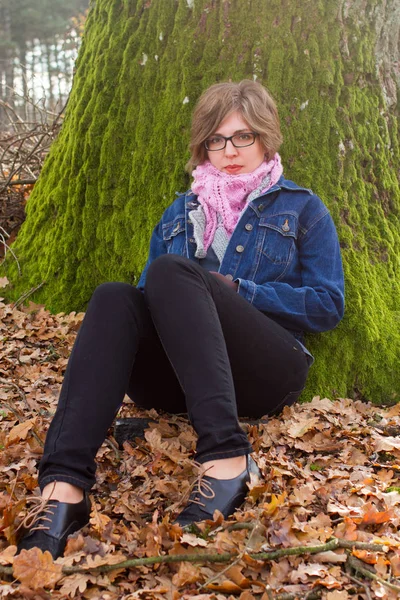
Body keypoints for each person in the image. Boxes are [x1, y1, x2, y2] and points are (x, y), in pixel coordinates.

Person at [17, 79, 345, 559]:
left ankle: (227, 460)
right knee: (114, 295)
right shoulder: (178, 213)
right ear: (202, 145)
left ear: (266, 137)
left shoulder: (301, 208)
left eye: (243, 136)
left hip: (266, 370)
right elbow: (150, 303)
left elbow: (326, 304)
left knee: (173, 271)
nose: (229, 150)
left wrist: (242, 291)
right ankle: (63, 489)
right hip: (182, 382)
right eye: (216, 139)